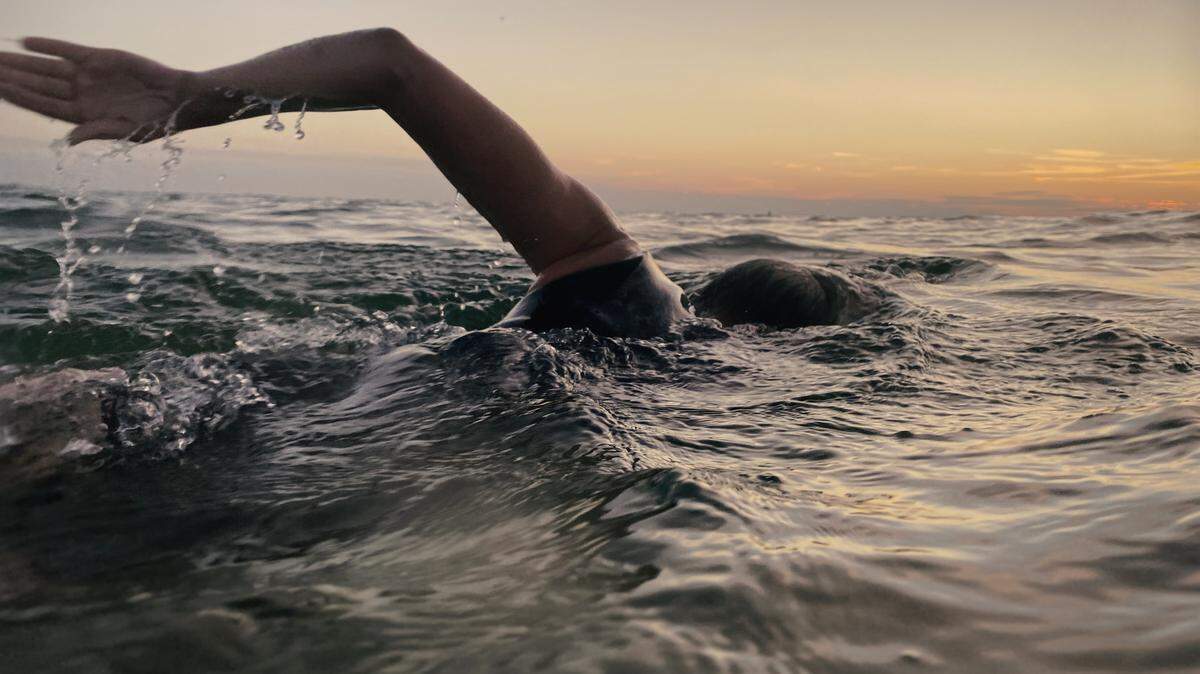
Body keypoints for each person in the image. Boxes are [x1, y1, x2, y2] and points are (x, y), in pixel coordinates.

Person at [0, 29, 881, 337]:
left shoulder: (611, 275)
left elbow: (389, 62)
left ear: (707, 287)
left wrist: (189, 98)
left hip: (300, 409)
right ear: (780, 344)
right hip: (362, 483)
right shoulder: (691, 383)